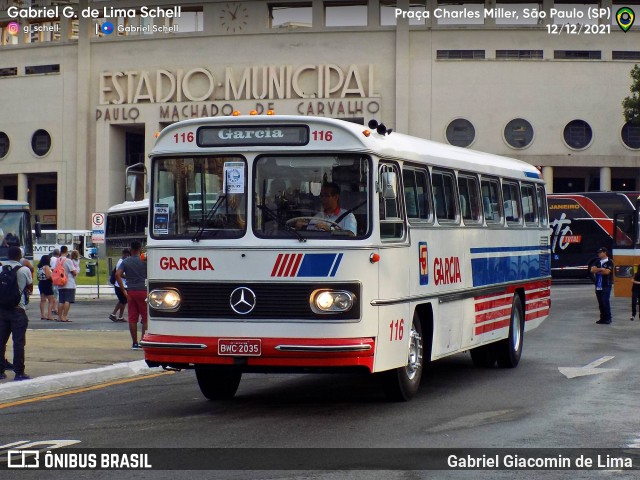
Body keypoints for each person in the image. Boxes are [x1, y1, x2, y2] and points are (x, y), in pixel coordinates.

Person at [0, 246, 33, 381]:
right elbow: (30, 288)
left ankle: (0, 371)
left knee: (1, 342)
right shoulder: (24, 270)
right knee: (18, 342)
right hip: (18, 310)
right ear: (20, 256)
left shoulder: (2, 269)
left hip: (2, 310)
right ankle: (19, 372)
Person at [116, 241, 147, 350]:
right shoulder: (144, 261)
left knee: (132, 318)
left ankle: (134, 342)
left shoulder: (126, 261)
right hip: (143, 290)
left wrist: (124, 290)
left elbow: (117, 274)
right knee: (146, 318)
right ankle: (143, 341)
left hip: (131, 291)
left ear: (130, 249)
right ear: (140, 249)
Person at [590, 247, 614, 325]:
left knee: (605, 301)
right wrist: (601, 269)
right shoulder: (597, 261)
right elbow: (592, 270)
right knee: (600, 302)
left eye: (600, 253)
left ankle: (608, 318)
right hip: (598, 285)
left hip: (606, 285)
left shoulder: (610, 262)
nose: (599, 254)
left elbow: (607, 272)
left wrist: (598, 270)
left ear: (604, 253)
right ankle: (602, 318)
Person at [57, 245, 79, 323]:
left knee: (61, 300)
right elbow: (73, 272)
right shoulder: (68, 260)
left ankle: (59, 317)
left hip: (60, 282)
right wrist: (76, 271)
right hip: (68, 282)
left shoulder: (58, 260)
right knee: (67, 300)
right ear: (66, 251)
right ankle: (64, 316)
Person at [110, 248, 130, 322]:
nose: (128, 256)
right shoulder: (121, 262)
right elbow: (119, 274)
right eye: (127, 255)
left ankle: (119, 316)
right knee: (123, 301)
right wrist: (128, 277)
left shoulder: (122, 261)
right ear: (126, 254)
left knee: (123, 301)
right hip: (120, 285)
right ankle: (114, 314)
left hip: (121, 284)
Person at [37, 254, 55, 321]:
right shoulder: (46, 267)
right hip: (47, 283)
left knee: (43, 300)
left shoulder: (39, 267)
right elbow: (48, 276)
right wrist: (53, 279)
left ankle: (42, 315)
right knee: (51, 300)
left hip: (41, 282)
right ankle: (49, 315)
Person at [50, 249, 60, 315]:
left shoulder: (50, 258)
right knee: (55, 294)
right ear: (58, 254)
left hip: (50, 278)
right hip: (55, 277)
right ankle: (54, 308)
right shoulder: (56, 260)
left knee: (52, 293)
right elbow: (54, 268)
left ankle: (52, 308)